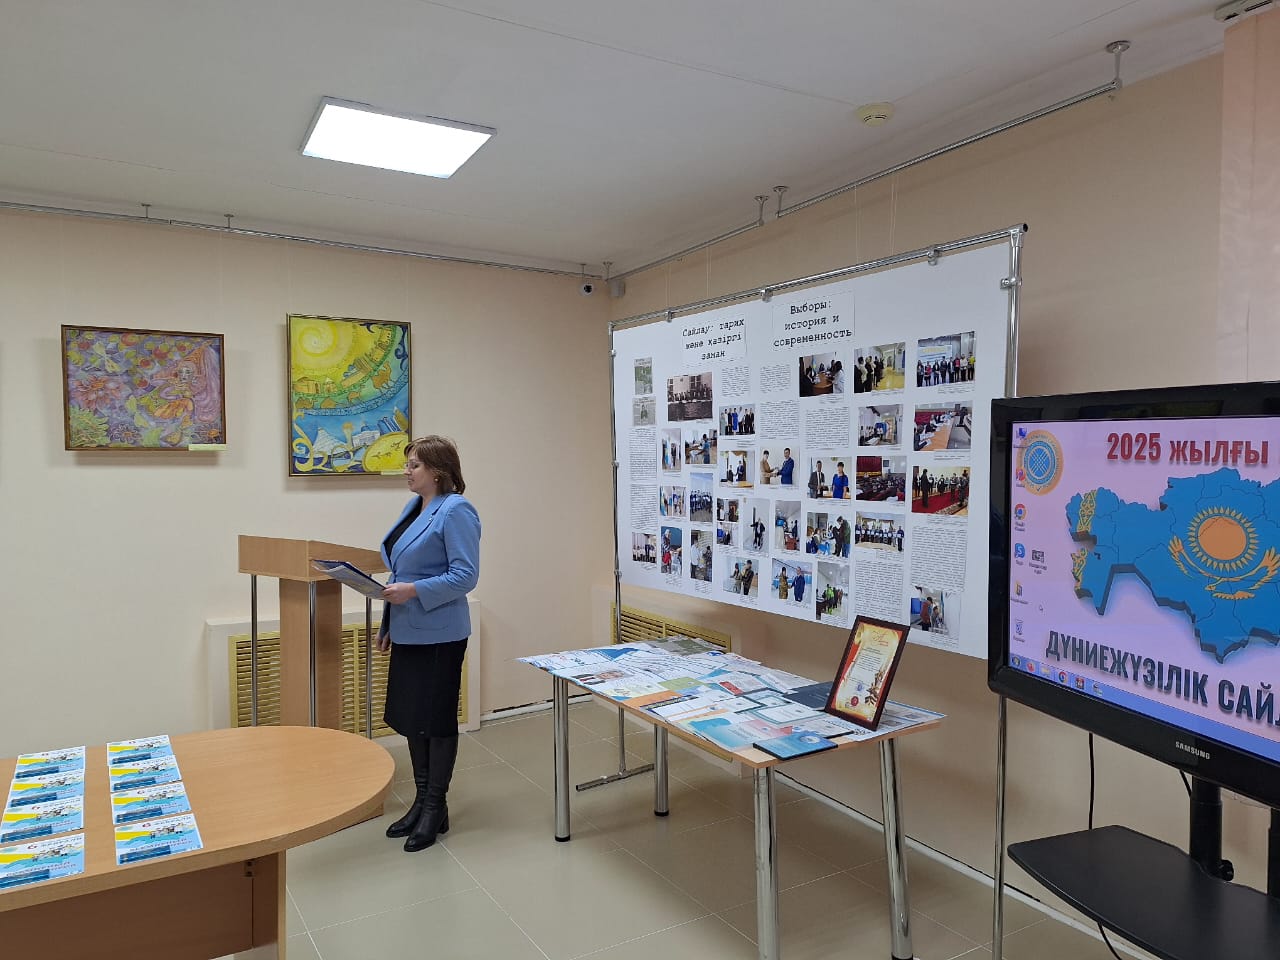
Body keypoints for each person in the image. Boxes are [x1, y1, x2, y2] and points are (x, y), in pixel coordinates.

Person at [379, 435, 481, 853]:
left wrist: (414, 592)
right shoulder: (414, 507)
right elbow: (399, 571)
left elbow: (465, 576)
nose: (407, 471)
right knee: (412, 718)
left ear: (438, 470)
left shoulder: (456, 510)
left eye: (415, 464)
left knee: (435, 721)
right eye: (408, 464)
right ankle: (423, 802)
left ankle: (436, 804)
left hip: (440, 634)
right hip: (408, 629)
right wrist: (389, 622)